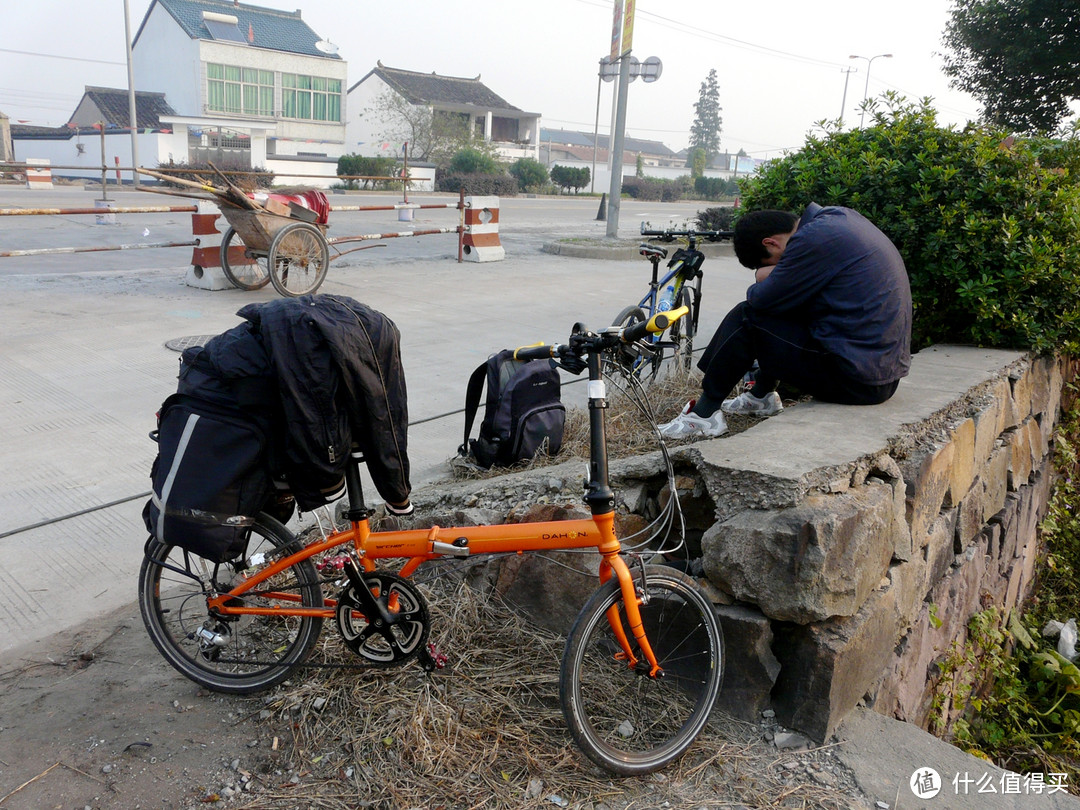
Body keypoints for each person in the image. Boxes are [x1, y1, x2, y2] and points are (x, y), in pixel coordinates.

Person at [659, 203, 912, 440]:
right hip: (879, 375)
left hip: (857, 381)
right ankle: (762, 395)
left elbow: (761, 300)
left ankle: (704, 416)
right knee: (785, 306)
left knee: (748, 316)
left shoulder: (812, 240)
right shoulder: (838, 218)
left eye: (774, 263)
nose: (780, 268)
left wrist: (762, 275)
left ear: (770, 243)